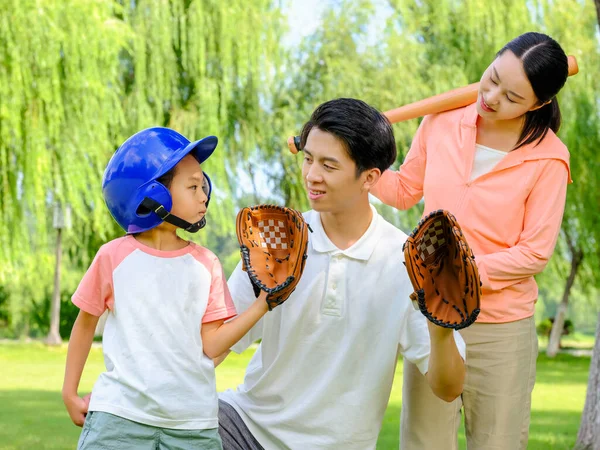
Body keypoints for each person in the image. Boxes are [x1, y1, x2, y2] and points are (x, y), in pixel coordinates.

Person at [215, 98, 467, 450]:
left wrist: (441, 333)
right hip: (245, 427)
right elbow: (216, 345)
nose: (311, 175)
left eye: (329, 166)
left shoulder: (406, 263)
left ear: (370, 178)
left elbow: (448, 388)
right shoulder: (278, 240)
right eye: (308, 159)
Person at [370, 32, 572, 450]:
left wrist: (461, 274)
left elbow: (534, 252)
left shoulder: (549, 157)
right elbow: (405, 190)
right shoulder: (443, 120)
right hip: (434, 316)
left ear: (537, 105)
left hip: (500, 328)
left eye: (513, 97)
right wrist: (357, 165)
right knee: (424, 443)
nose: (492, 97)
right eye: (492, 77)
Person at [62, 127, 274, 450]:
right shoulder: (113, 258)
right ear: (153, 197)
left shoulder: (206, 265)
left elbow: (212, 344)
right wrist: (69, 390)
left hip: (192, 426)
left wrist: (261, 306)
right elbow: (85, 324)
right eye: (193, 186)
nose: (204, 195)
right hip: (119, 420)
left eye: (203, 185)